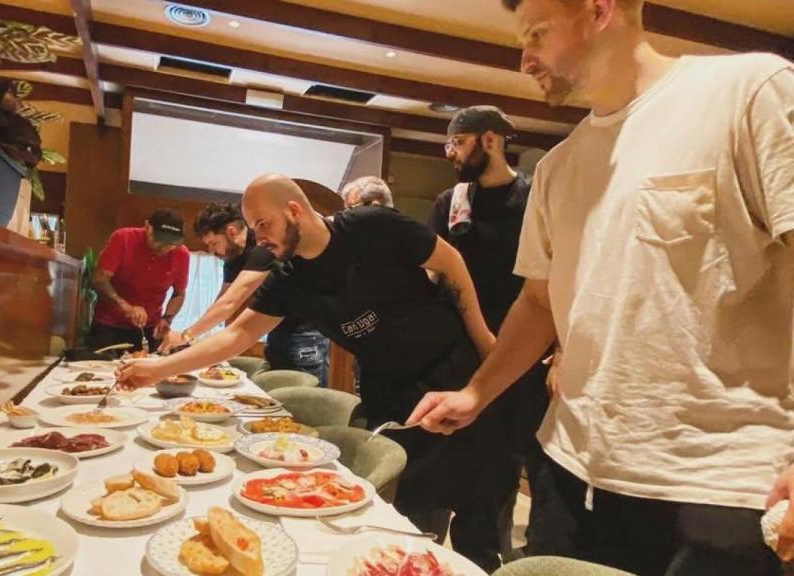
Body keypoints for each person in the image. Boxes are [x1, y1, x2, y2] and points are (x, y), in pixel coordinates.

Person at [408, 1, 793, 575]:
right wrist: (476, 393)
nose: (525, 58)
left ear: (599, 10)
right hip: (570, 468)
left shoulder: (748, 90)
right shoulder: (561, 166)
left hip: (718, 483)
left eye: (537, 33)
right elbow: (541, 299)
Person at [119, 174, 502, 570]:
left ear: (294, 210)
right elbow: (235, 335)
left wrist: (484, 341)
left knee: (480, 506)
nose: (260, 238)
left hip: (453, 368)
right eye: (253, 229)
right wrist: (158, 368)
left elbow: (450, 263)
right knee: (412, 513)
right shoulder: (290, 278)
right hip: (388, 387)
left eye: (263, 224)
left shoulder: (370, 225)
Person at [428, 105, 555, 563]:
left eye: (457, 143)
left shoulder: (535, 197)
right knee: (464, 470)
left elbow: (550, 285)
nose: (451, 154)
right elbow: (436, 274)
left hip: (526, 352)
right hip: (463, 354)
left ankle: (505, 561)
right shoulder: (452, 202)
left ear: (490, 141)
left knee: (514, 472)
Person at [159, 203, 330, 385]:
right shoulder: (233, 258)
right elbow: (223, 300)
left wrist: (186, 335)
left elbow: (230, 303)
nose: (211, 251)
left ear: (232, 232)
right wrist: (200, 335)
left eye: (213, 243)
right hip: (276, 330)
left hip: (304, 335)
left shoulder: (262, 246)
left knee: (301, 403)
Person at [89, 209, 190, 352]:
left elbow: (179, 293)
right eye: (159, 242)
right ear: (148, 227)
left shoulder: (181, 254)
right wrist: (125, 306)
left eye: (170, 244)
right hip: (108, 326)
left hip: (150, 329)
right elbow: (99, 279)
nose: (163, 249)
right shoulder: (123, 238)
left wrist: (167, 318)